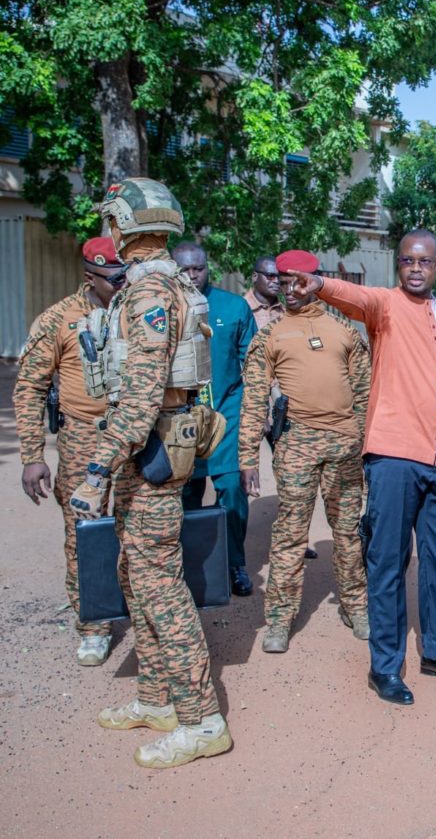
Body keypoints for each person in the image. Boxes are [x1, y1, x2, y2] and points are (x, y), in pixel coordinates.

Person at [68, 177, 231, 768]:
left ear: (122, 226)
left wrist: (94, 471)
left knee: (162, 590)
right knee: (137, 579)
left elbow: (139, 398)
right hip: (149, 453)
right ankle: (157, 699)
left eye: (110, 221)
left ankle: (201, 720)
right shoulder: (157, 285)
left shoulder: (147, 293)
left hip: (151, 455)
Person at [285, 229, 436, 707]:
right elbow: (355, 296)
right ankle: (385, 667)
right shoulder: (385, 307)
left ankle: (435, 652)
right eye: (408, 261)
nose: (416, 269)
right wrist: (320, 285)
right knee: (388, 563)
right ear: (398, 264)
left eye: (425, 261)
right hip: (392, 457)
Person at [238, 250, 370, 653]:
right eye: (281, 280)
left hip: (344, 446)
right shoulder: (271, 334)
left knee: (347, 533)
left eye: (297, 281)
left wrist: (365, 443)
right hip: (296, 446)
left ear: (312, 281)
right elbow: (255, 398)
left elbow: (364, 391)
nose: (288, 288)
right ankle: (279, 620)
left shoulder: (344, 331)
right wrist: (247, 456)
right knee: (290, 536)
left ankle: (356, 606)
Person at [14, 236, 126, 665]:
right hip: (84, 439)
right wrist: (32, 455)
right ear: (89, 277)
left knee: (136, 528)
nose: (121, 284)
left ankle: (139, 605)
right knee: (87, 533)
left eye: (125, 276)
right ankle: (94, 625)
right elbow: (29, 388)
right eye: (113, 279)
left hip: (133, 437)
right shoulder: (58, 319)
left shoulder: (138, 313)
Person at [175, 242, 258, 597]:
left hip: (226, 415)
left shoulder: (233, 306)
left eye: (199, 268)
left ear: (209, 268)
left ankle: (234, 562)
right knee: (186, 493)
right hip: (179, 421)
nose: (193, 275)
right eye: (185, 269)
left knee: (231, 489)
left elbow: (254, 366)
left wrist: (256, 415)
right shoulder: (163, 308)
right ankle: (192, 565)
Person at [242, 253, 318, 561]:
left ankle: (297, 539)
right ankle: (237, 552)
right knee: (242, 479)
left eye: (281, 278)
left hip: (283, 409)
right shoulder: (242, 309)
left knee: (292, 478)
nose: (276, 282)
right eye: (269, 276)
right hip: (250, 405)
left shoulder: (290, 310)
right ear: (254, 277)